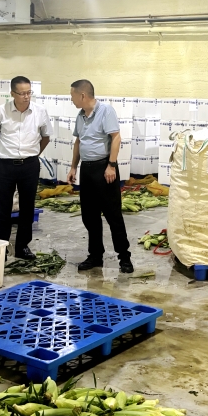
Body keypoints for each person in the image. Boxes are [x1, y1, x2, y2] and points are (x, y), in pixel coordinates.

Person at [68, 79, 133, 273]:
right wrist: (73, 167)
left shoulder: (106, 111)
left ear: (82, 95)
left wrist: (111, 165)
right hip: (87, 170)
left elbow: (116, 137)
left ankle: (124, 258)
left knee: (113, 215)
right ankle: (95, 255)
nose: (71, 99)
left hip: (104, 169)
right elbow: (78, 142)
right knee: (90, 216)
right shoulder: (80, 115)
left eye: (72, 95)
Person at [0, 76, 51, 259]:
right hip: (5, 165)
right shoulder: (1, 111)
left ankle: (22, 246)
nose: (26, 96)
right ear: (12, 94)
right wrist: (3, 152)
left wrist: (34, 154)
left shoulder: (40, 112)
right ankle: (2, 247)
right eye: (22, 93)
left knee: (27, 207)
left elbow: (46, 137)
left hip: (29, 165)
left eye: (29, 92)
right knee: (2, 207)